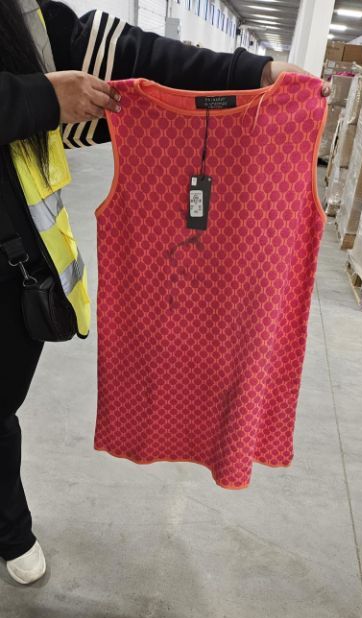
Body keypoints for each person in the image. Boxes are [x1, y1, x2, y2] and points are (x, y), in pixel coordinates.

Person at [0, 0, 328, 586]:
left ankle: (8, 528)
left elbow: (129, 52)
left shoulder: (24, 14)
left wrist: (253, 71)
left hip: (18, 269)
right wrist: (39, 98)